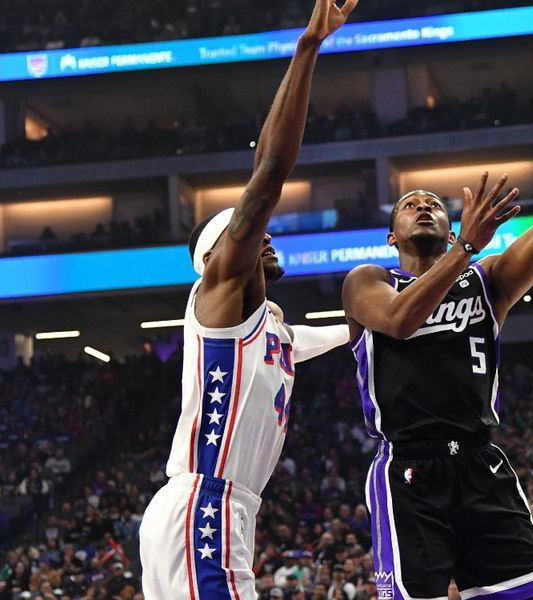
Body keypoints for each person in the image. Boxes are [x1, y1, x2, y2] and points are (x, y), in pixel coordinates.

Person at [342, 41, 533, 600]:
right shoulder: (369, 281)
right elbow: (400, 322)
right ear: (391, 236)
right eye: (411, 204)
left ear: (451, 225)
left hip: (482, 463)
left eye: (435, 202)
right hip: (408, 472)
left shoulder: (486, 279)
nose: (426, 206)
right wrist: (466, 247)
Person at [138, 1, 358, 598]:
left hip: (219, 509)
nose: (267, 238)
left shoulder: (274, 333)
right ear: (220, 259)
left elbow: (354, 330)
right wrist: (308, 49)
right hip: (205, 503)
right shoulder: (217, 299)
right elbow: (269, 171)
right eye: (250, 236)